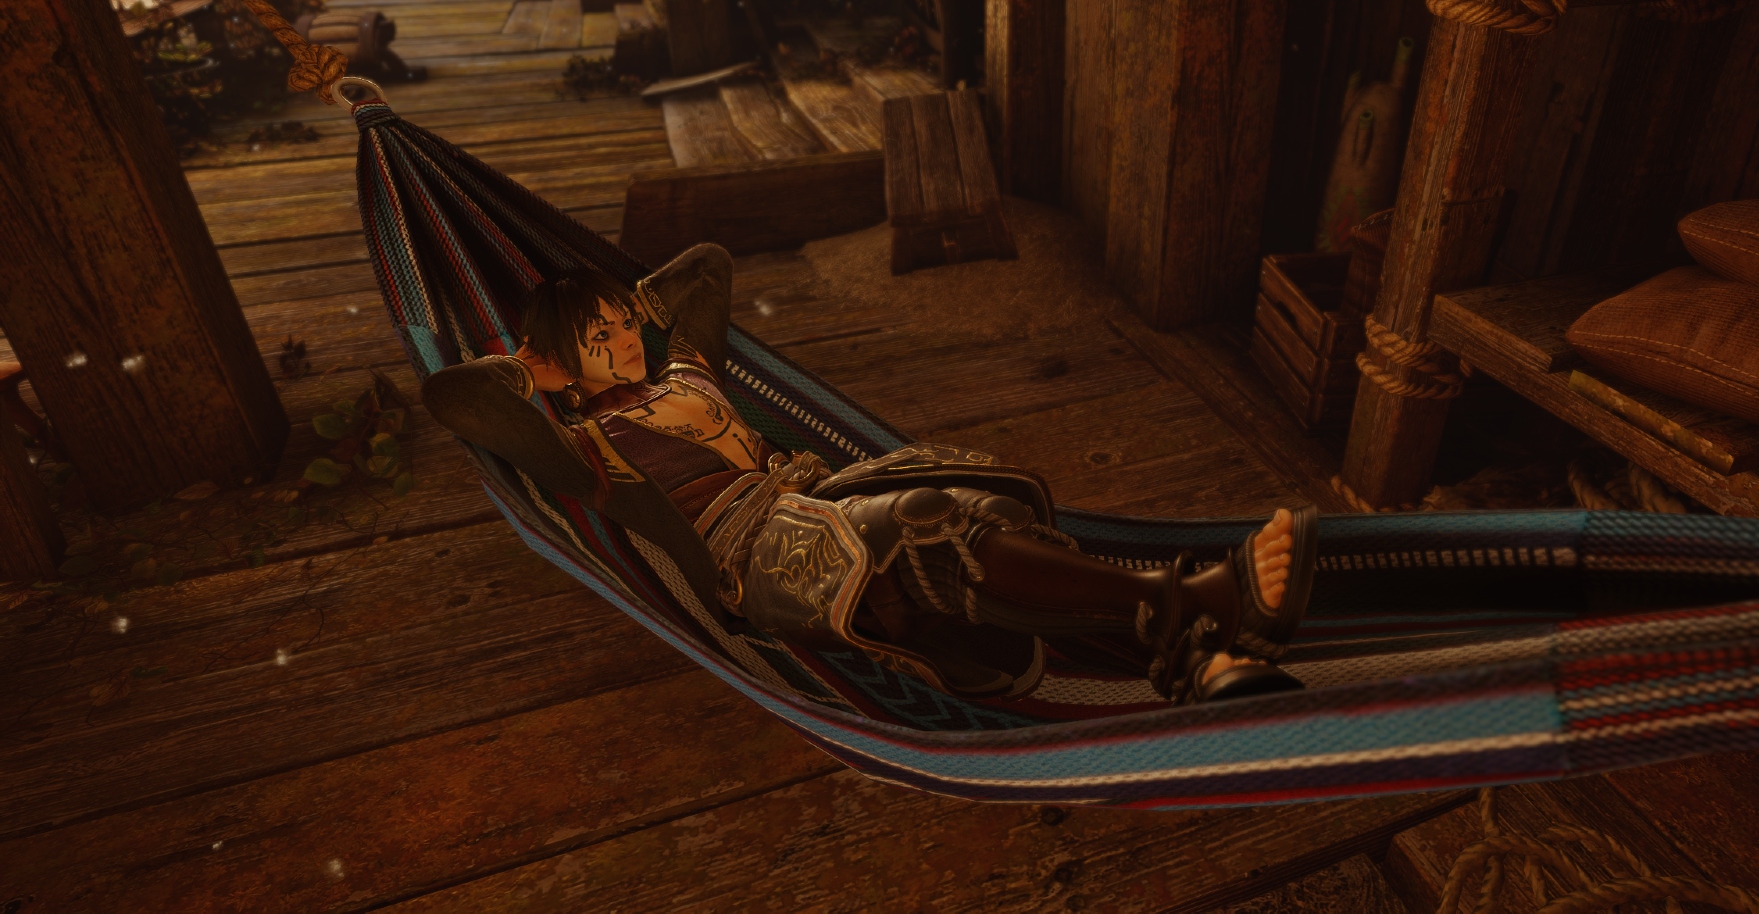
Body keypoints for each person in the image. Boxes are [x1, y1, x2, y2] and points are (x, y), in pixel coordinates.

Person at [422, 244, 1317, 705]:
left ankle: (1202, 661)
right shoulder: (593, 444)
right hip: (757, 558)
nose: (623, 339)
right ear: (562, 361)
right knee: (930, 520)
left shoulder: (685, 368)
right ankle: (1186, 602)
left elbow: (708, 271)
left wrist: (638, 306)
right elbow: (456, 398)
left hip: (820, 500)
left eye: (623, 321)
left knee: (974, 511)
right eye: (599, 337)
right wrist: (532, 368)